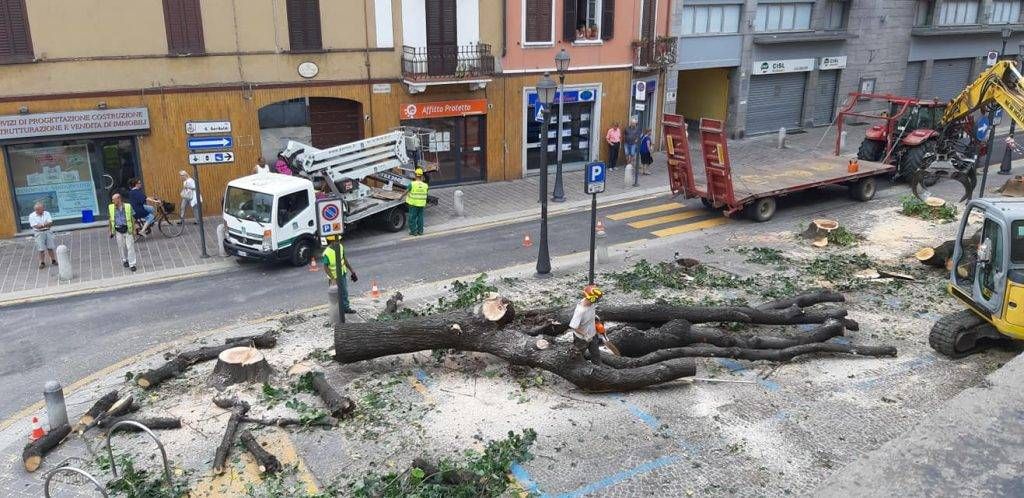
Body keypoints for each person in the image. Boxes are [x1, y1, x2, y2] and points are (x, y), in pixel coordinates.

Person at [569, 285, 604, 366]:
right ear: (591, 298)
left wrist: (595, 319)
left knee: (596, 354)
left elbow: (590, 313)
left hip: (592, 334)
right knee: (578, 355)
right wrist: (585, 335)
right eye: (595, 299)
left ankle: (598, 368)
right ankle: (577, 369)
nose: (596, 301)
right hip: (581, 339)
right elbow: (574, 327)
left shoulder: (591, 304)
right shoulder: (580, 311)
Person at [322, 239, 358, 314]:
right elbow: (325, 267)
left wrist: (352, 270)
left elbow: (344, 259)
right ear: (332, 242)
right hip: (334, 278)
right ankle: (336, 311)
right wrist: (332, 278)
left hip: (342, 274)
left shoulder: (340, 247)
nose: (338, 241)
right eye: (336, 240)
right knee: (335, 295)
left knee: (344, 292)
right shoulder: (327, 253)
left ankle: (345, 308)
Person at [108, 193, 137, 272]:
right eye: (112, 200)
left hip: (128, 229)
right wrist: (110, 231)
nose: (113, 201)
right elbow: (110, 219)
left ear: (119, 199)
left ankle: (132, 264)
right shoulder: (111, 207)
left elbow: (132, 218)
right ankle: (125, 260)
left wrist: (134, 229)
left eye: (114, 199)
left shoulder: (128, 206)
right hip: (118, 230)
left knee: (130, 247)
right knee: (121, 246)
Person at [28, 202, 57, 269]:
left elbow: (50, 223)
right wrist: (45, 224)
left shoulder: (47, 213)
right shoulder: (31, 216)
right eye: (39, 209)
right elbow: (36, 226)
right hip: (39, 233)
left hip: (48, 231)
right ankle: (42, 262)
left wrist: (43, 225)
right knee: (41, 249)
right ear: (36, 210)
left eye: (42, 209)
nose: (41, 211)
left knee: (50, 247)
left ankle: (53, 260)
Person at [406, 168, 429, 236]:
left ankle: (414, 232)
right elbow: (426, 193)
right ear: (422, 176)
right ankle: (420, 231)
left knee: (412, 218)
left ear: (415, 175)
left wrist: (400, 197)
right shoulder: (425, 185)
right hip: (421, 204)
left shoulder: (412, 184)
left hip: (413, 204)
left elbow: (406, 191)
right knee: (420, 218)